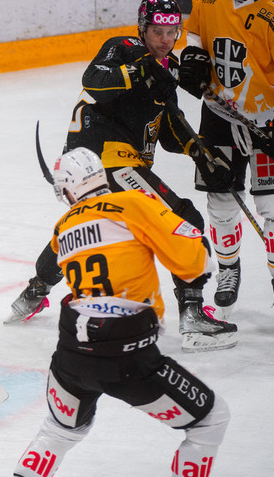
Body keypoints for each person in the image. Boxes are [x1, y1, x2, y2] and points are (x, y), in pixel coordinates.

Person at [7, 0, 237, 352]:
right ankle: (191, 314)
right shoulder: (124, 47)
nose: (166, 39)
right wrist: (141, 69)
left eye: (173, 31)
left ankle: (34, 291)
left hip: (115, 163)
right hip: (101, 161)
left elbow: (169, 127)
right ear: (143, 28)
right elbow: (93, 79)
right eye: (158, 31)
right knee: (183, 218)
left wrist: (199, 152)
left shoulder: (165, 70)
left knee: (88, 226)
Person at [13, 147, 230, 477]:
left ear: (68, 189)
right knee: (210, 421)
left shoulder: (64, 226)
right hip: (129, 357)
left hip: (70, 356)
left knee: (59, 432)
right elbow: (192, 263)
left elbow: (55, 260)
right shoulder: (133, 203)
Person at [177, 0, 274, 328]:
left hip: (265, 123)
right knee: (221, 200)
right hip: (218, 115)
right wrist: (193, 54)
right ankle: (229, 269)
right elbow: (195, 33)